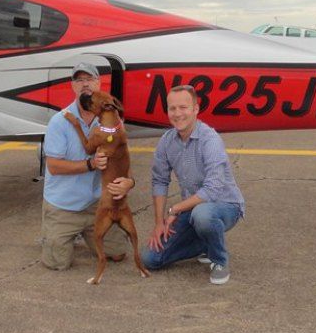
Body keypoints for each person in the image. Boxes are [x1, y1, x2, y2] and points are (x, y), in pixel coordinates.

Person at [141, 85, 245, 285]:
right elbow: (159, 181)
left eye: (183, 107)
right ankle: (205, 243)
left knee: (203, 215)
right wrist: (159, 223)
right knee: (150, 259)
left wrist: (174, 210)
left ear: (196, 109)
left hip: (225, 205)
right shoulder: (166, 141)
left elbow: (213, 189)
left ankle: (219, 260)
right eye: (172, 108)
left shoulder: (210, 139)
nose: (178, 114)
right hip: (193, 208)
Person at [40, 62, 136, 270]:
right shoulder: (59, 121)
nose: (85, 84)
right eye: (79, 80)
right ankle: (56, 232)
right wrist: (90, 164)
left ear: (99, 83)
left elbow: (122, 157)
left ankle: (86, 234)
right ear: (72, 86)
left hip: (96, 205)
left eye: (89, 79)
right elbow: (54, 166)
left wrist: (130, 181)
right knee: (58, 264)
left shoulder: (111, 120)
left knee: (118, 254)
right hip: (64, 206)